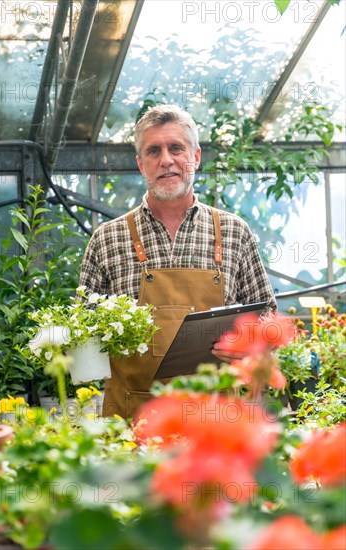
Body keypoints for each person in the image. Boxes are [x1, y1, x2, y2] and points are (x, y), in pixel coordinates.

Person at [79, 104, 277, 418]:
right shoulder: (107, 239)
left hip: (214, 422)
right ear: (141, 164)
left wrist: (245, 341)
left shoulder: (233, 232)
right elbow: (82, 332)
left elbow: (268, 318)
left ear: (195, 157)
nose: (166, 160)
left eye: (176, 148)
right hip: (130, 422)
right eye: (153, 151)